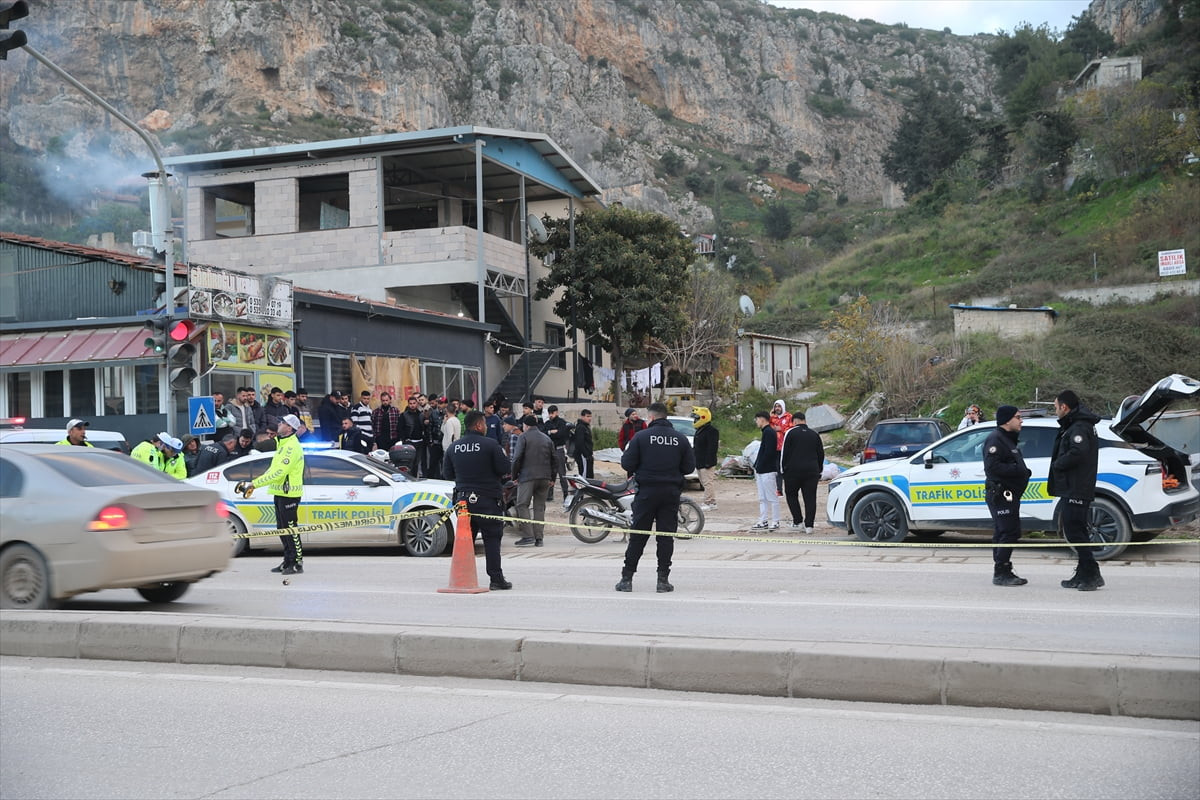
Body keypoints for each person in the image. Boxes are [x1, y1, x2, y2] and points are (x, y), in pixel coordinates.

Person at [616, 402, 695, 593]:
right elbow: (689, 468)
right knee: (666, 537)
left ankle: (627, 579)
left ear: (650, 417)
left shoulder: (641, 437)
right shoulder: (680, 439)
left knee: (638, 536)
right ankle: (662, 580)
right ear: (666, 417)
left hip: (646, 493)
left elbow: (627, 463)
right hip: (670, 494)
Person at [442, 410, 513, 590]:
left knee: (465, 542)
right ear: (480, 425)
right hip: (488, 500)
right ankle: (496, 579)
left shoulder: (454, 447)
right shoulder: (491, 445)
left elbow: (447, 474)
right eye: (485, 425)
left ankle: (461, 578)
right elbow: (504, 468)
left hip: (463, 502)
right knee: (492, 539)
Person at [1049, 390, 1104, 591]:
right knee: (1074, 530)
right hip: (1071, 487)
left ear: (1064, 407)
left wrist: (1058, 464)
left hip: (1077, 488)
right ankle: (1084, 572)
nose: (1055, 411)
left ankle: (1091, 573)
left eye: (1056, 407)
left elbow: (1078, 452)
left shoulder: (1080, 427)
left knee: (1075, 531)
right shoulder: (1075, 425)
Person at [239, 414, 306, 575]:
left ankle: (297, 562)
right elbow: (272, 469)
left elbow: (279, 472)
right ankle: (287, 560)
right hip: (279, 491)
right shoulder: (281, 443)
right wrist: (254, 482)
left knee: (290, 528)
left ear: (290, 428)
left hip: (289, 493)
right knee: (281, 528)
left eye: (282, 422)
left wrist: (255, 484)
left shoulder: (291, 446)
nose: (279, 424)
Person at [984, 405, 1031, 587]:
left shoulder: (1008, 439)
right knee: (1008, 532)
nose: (1021, 421)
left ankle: (1003, 567)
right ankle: (1002, 571)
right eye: (1018, 417)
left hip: (1009, 493)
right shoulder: (996, 440)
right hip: (1001, 493)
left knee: (1006, 531)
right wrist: (1018, 470)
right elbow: (992, 467)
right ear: (1007, 420)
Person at [511, 414, 555, 547]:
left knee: (522, 505)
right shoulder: (547, 438)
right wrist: (552, 478)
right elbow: (555, 459)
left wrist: (514, 476)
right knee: (539, 507)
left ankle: (528, 536)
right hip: (545, 477)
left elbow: (517, 458)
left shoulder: (523, 437)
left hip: (527, 477)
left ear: (526, 426)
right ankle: (539, 538)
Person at [780, 410, 824, 533]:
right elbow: (821, 454)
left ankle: (798, 521)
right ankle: (809, 525)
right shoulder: (814, 434)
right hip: (811, 471)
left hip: (793, 471)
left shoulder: (790, 432)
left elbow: (784, 453)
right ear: (805, 421)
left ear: (794, 421)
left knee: (791, 495)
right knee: (810, 498)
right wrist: (819, 470)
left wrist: (783, 470)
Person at [751, 411, 780, 531]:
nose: (757, 422)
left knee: (772, 497)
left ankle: (775, 520)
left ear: (762, 419)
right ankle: (763, 520)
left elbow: (769, 452)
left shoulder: (769, 432)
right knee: (762, 498)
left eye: (757, 419)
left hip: (768, 470)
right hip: (761, 470)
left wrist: (761, 464)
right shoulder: (765, 432)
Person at [541, 405, 572, 504]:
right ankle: (549, 495)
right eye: (550, 413)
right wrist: (551, 432)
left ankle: (566, 495)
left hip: (559, 450)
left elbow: (562, 434)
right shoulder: (548, 423)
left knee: (562, 473)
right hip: (550, 450)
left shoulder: (562, 422)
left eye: (552, 413)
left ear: (556, 412)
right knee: (550, 474)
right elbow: (544, 433)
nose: (551, 415)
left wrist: (553, 433)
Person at [691, 406, 719, 510]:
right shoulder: (699, 430)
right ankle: (712, 501)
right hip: (699, 461)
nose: (695, 420)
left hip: (707, 462)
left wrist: (709, 462)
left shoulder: (711, 431)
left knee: (708, 483)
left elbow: (712, 448)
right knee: (704, 483)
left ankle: (708, 502)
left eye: (697, 418)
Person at [769, 400, 793, 494]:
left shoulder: (789, 417)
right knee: (777, 469)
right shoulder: (773, 418)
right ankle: (779, 490)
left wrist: (781, 429)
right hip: (775, 448)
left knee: (787, 469)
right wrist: (770, 416)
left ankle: (790, 490)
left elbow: (791, 429)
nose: (777, 408)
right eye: (776, 406)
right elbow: (768, 427)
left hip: (786, 447)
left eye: (779, 406)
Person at [400, 394, 425, 475]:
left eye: (414, 403)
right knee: (409, 462)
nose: (412, 405)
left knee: (417, 463)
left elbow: (424, 428)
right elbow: (400, 428)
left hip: (420, 441)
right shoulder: (404, 415)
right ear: (408, 404)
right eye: (410, 403)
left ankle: (414, 477)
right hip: (409, 441)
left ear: (417, 404)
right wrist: (404, 439)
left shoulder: (421, 414)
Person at [572, 409, 594, 479]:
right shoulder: (580, 427)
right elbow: (579, 443)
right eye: (587, 416)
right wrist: (586, 454)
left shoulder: (585, 427)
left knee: (589, 475)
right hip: (583, 456)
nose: (589, 418)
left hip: (587, 455)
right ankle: (584, 489)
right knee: (584, 477)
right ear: (582, 417)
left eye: (590, 416)